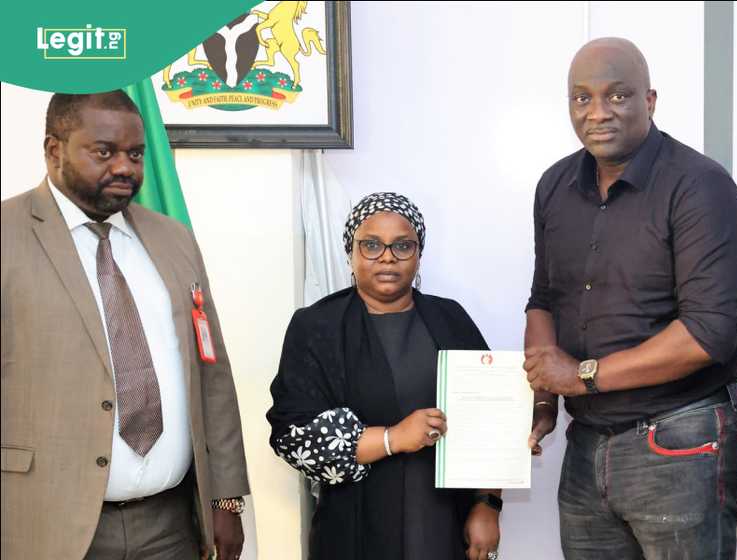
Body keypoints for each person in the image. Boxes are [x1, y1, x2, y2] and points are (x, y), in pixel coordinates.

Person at [522, 37, 737, 559]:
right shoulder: (555, 185)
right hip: (586, 443)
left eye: (618, 96)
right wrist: (543, 397)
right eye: (581, 98)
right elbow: (544, 299)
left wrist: (579, 376)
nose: (597, 112)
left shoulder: (700, 187)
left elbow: (707, 334)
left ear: (649, 101)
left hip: (680, 439)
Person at [1, 92, 250, 559]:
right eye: (104, 152)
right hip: (42, 524)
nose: (125, 167)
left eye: (135, 154)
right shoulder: (6, 236)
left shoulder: (172, 238)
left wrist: (226, 496)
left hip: (171, 526)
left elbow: (211, 373)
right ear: (54, 150)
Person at [267, 193, 502, 560]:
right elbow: (293, 436)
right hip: (354, 524)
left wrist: (488, 505)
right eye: (371, 245)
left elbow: (491, 417)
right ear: (351, 253)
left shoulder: (451, 319)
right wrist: (393, 438)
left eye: (402, 246)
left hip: (443, 519)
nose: (387, 256)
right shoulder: (316, 327)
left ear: (419, 254)